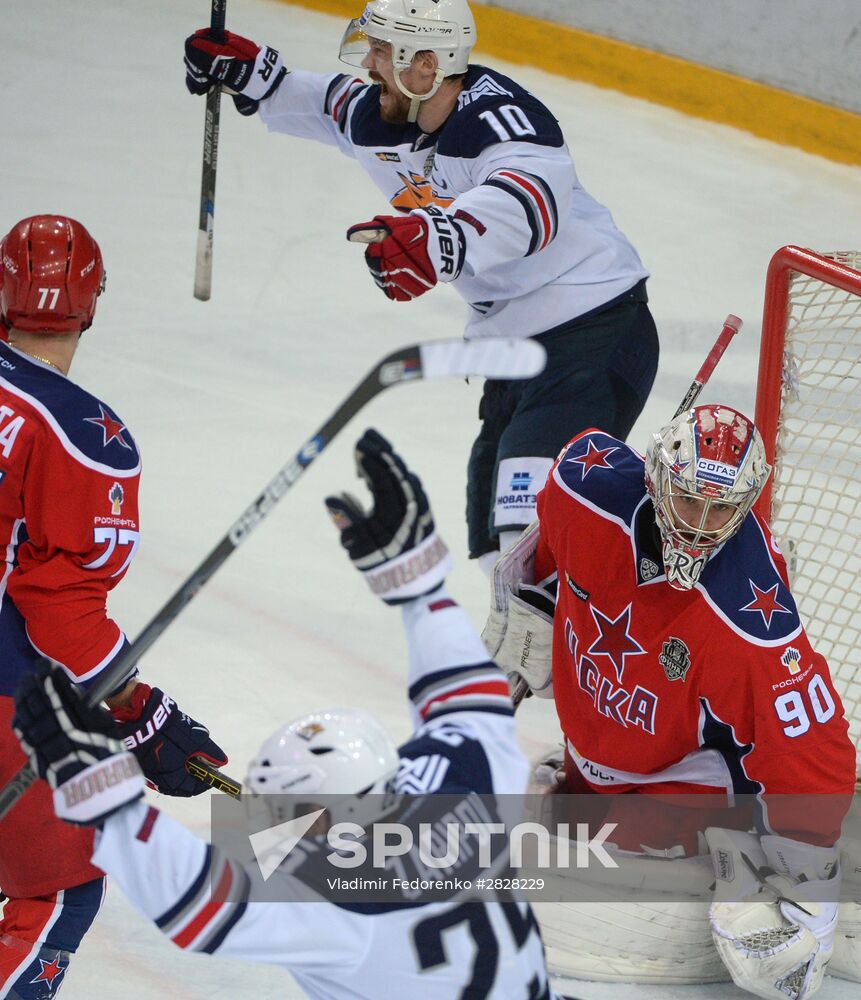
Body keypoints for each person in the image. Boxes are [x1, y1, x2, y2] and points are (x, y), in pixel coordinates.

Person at [12, 428, 574, 999]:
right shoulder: (469, 787)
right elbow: (467, 696)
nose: (273, 831)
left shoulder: (333, 908)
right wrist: (419, 582)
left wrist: (104, 792)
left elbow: (191, 901)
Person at [182, 0, 660, 573]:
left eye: (383, 51)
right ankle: (537, 663)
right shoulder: (386, 115)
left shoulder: (501, 120)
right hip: (516, 350)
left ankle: (629, 647)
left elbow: (530, 200)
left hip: (594, 332)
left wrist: (440, 242)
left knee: (528, 539)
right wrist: (259, 76)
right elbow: (328, 106)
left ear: (426, 64)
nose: (370, 64)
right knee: (495, 555)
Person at [485, 403, 858, 998]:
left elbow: (816, 750)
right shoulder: (583, 482)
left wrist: (812, 890)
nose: (702, 526)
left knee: (591, 868)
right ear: (657, 477)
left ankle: (736, 843)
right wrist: (538, 598)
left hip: (684, 776)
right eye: (689, 501)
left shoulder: (749, 617)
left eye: (723, 509)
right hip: (600, 747)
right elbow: (553, 539)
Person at [0, 215, 227, 999]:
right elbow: (55, 609)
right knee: (55, 891)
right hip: (7, 704)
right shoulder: (80, 436)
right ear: (93, 303)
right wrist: (142, 714)